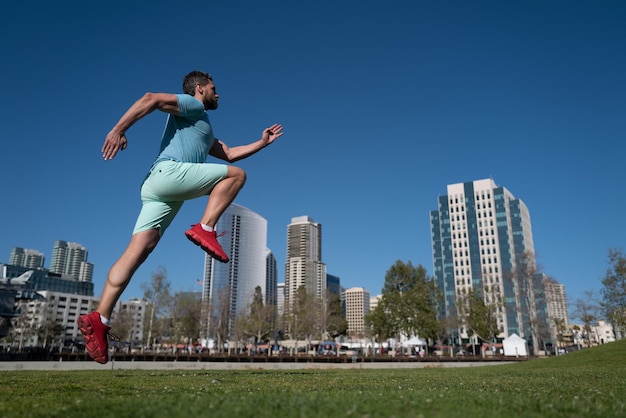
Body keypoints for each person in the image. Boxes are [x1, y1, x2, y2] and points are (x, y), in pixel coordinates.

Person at [78, 70, 284, 364]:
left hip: (158, 188)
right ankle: (205, 227)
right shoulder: (193, 104)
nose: (218, 93)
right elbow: (150, 99)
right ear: (199, 89)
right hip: (169, 172)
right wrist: (118, 130)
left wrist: (261, 142)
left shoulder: (201, 126)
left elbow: (228, 153)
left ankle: (101, 317)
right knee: (237, 177)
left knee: (138, 251)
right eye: (214, 88)